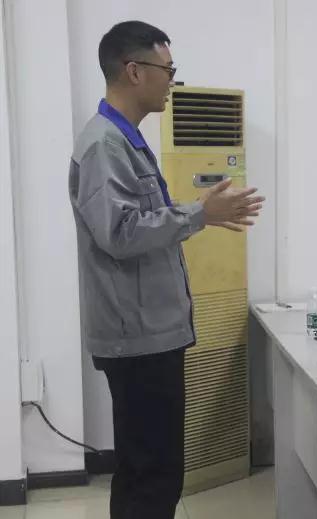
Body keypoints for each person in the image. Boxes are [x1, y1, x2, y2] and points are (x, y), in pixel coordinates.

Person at [68, 21, 264, 519]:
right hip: (137, 338)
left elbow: (140, 218)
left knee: (149, 470)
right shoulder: (104, 144)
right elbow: (119, 233)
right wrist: (199, 214)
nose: (172, 81)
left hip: (150, 332)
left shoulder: (125, 138)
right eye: (168, 69)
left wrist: (199, 212)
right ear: (134, 71)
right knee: (151, 473)